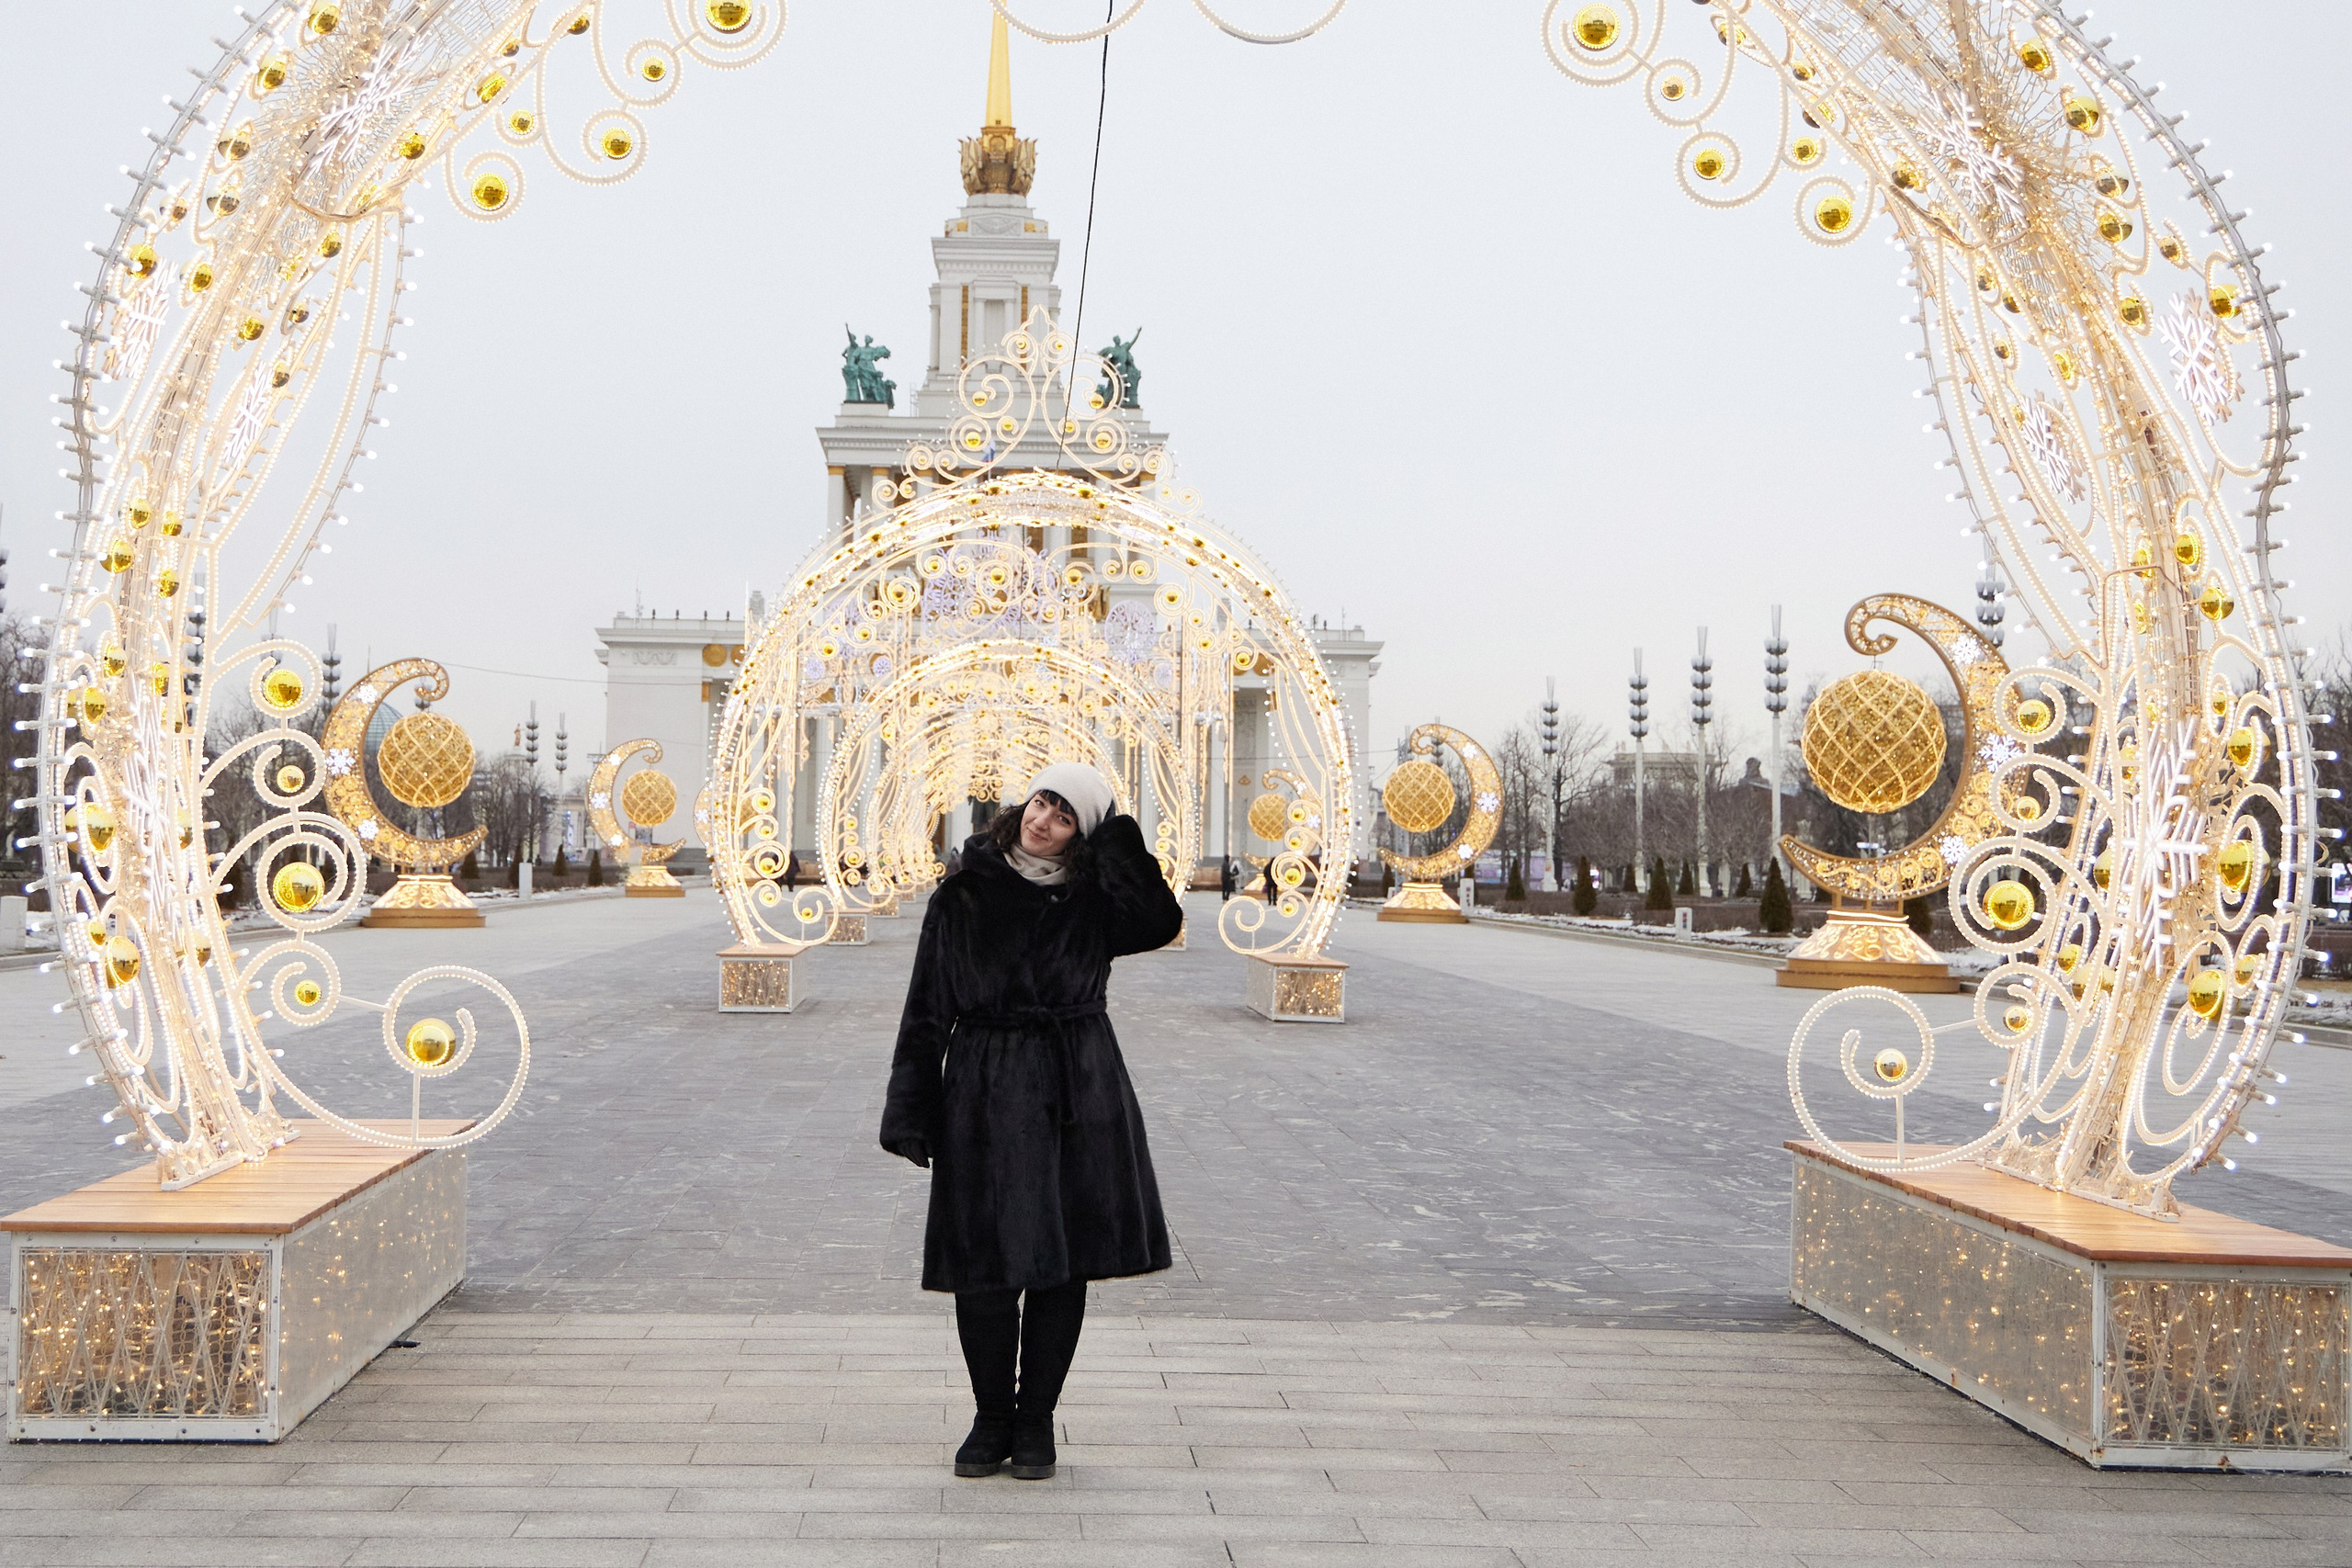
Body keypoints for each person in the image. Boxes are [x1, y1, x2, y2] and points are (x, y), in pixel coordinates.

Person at [880, 763, 1183, 1482]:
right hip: (985, 1086)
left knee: (1061, 1263)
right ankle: (991, 1418)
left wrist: (1117, 837)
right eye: (1042, 802)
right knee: (983, 1262)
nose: (1043, 819)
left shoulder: (1094, 900)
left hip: (1080, 1086)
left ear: (1084, 835)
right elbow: (927, 1005)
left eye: (1066, 815)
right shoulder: (962, 894)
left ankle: (1037, 1420)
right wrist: (911, 1107)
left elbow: (1160, 921)